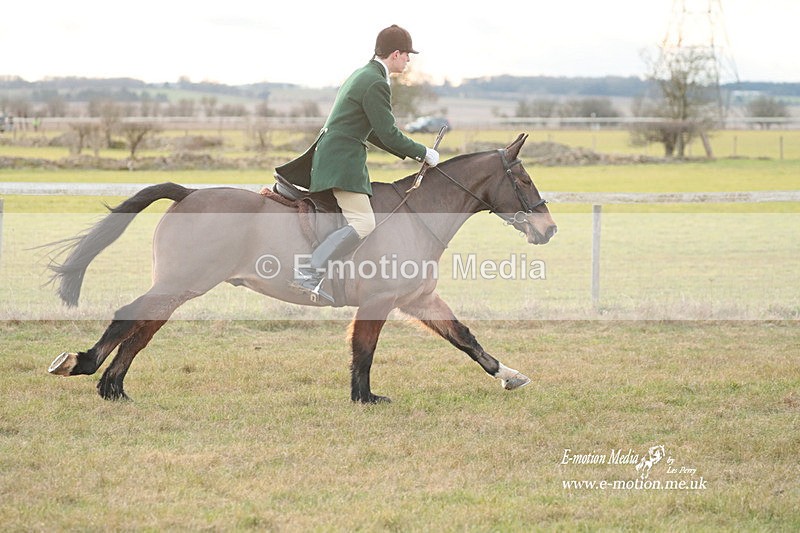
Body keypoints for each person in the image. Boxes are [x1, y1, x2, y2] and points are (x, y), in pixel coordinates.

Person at [276, 24, 440, 304]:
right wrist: (423, 152)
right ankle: (309, 273)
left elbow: (375, 131)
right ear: (396, 53)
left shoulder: (363, 74)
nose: (409, 60)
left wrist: (413, 153)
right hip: (342, 161)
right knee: (363, 222)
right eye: (407, 55)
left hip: (336, 155)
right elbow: (387, 133)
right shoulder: (376, 82)